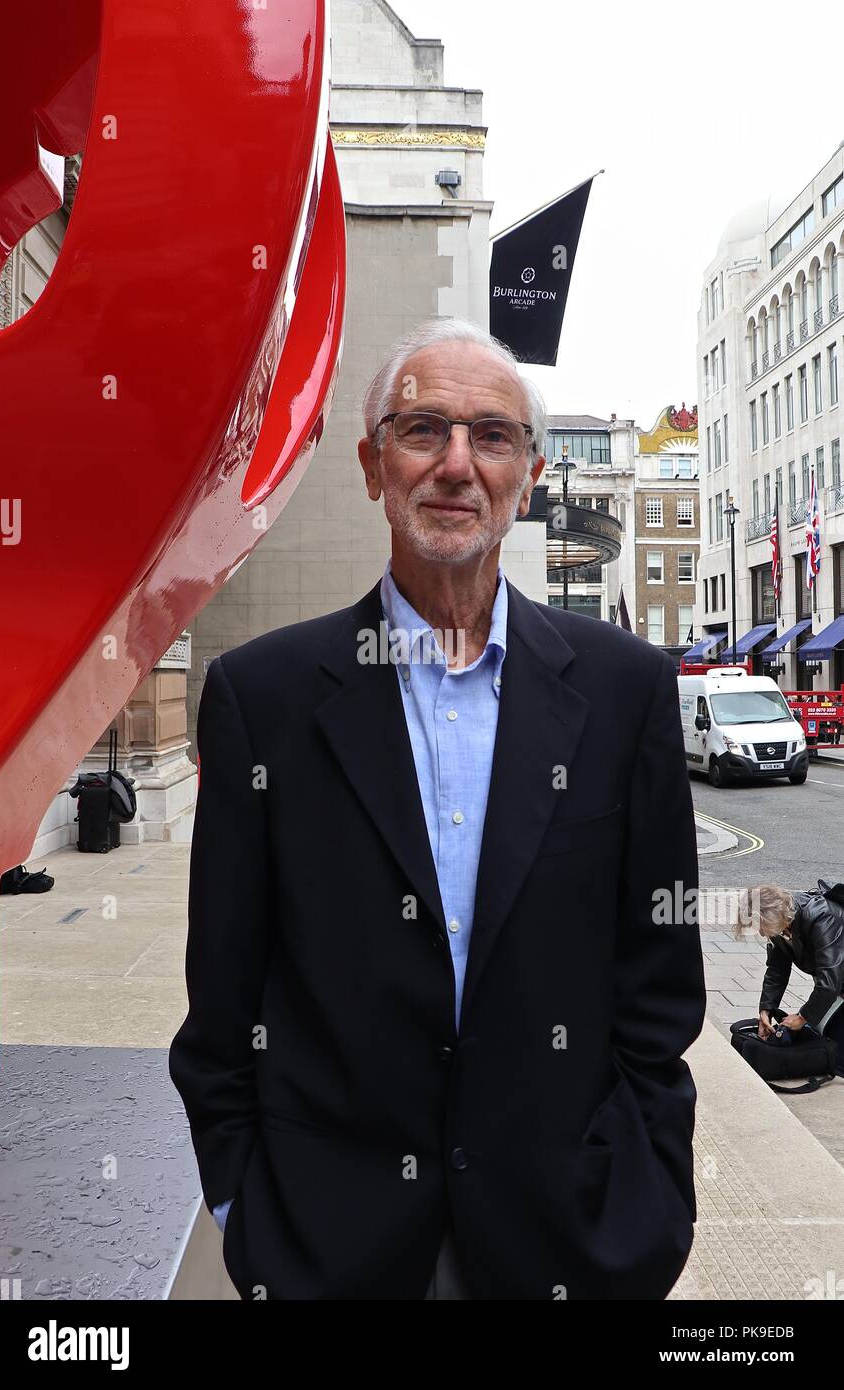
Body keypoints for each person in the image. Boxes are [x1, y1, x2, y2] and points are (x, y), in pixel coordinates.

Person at [168, 317, 706, 1300]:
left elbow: (658, 988)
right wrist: (245, 1208)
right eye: (423, 430)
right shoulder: (265, 700)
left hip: (569, 1242)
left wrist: (650, 1194)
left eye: (490, 436)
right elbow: (224, 1001)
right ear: (373, 466)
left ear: (528, 472)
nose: (457, 464)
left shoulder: (625, 692)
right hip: (330, 1252)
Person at [736, 882, 844, 1039]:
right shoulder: (780, 922)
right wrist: (767, 1008)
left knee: (837, 1044)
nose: (760, 933)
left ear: (772, 916)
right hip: (837, 985)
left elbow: (830, 981)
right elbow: (777, 969)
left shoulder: (822, 918)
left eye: (760, 927)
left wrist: (802, 1017)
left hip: (836, 982)